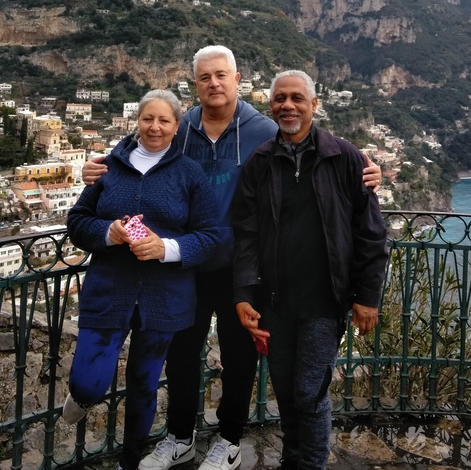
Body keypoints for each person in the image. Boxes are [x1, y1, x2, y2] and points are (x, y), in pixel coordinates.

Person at [82, 47, 381, 470]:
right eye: (204, 77)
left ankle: (230, 439)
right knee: (182, 356)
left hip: (244, 269)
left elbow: (316, 149)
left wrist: (368, 169)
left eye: (221, 74)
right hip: (182, 265)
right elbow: (136, 146)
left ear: (238, 78)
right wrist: (93, 169)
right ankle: (179, 436)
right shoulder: (180, 125)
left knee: (239, 360)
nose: (214, 83)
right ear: (194, 85)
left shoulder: (263, 129)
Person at [231, 70, 389, 470]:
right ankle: (293, 459)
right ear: (272, 106)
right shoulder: (261, 162)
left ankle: (312, 463)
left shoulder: (345, 157)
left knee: (309, 391)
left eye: (297, 98)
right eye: (280, 98)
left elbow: (371, 233)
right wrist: (244, 295)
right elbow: (246, 234)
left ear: (314, 105)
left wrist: (367, 298)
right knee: (285, 389)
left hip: (324, 300)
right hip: (275, 301)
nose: (288, 105)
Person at [63, 89, 224, 470]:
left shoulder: (190, 174)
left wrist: (165, 247)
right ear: (137, 121)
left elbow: (210, 235)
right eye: (148, 119)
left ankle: (130, 461)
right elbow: (77, 222)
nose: (154, 127)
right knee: (88, 381)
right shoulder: (108, 167)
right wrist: (108, 233)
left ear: (176, 125)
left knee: (143, 385)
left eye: (163, 120)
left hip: (164, 297)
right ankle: (83, 396)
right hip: (109, 290)